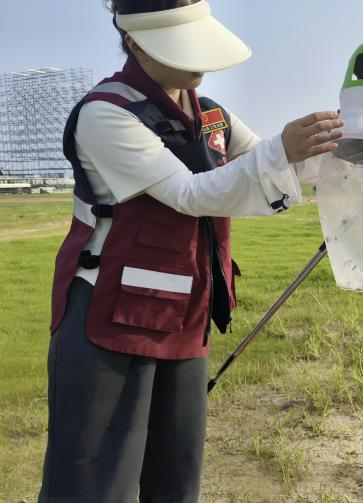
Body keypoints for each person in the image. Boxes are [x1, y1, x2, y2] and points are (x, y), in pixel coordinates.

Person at [39, 1, 344, 501]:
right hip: (110, 320)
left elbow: (270, 166)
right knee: (94, 483)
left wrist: (351, 154)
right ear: (135, 41)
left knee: (176, 477)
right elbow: (190, 193)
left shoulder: (211, 115)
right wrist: (281, 150)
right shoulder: (105, 112)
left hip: (184, 316)